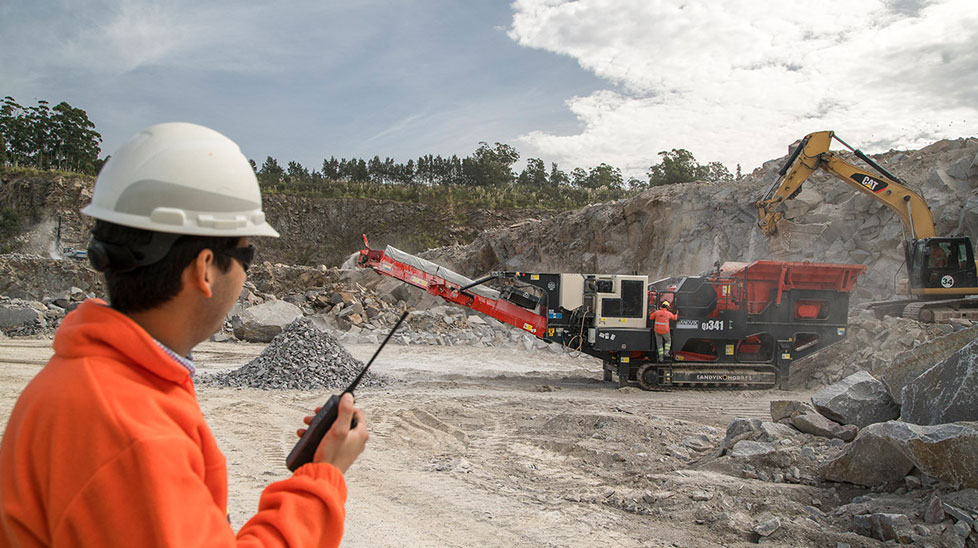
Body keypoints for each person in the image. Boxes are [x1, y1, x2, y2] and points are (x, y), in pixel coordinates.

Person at [0, 123, 367, 547]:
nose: (248, 274)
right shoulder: (135, 435)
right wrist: (323, 479)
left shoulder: (88, 380)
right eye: (247, 253)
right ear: (205, 268)